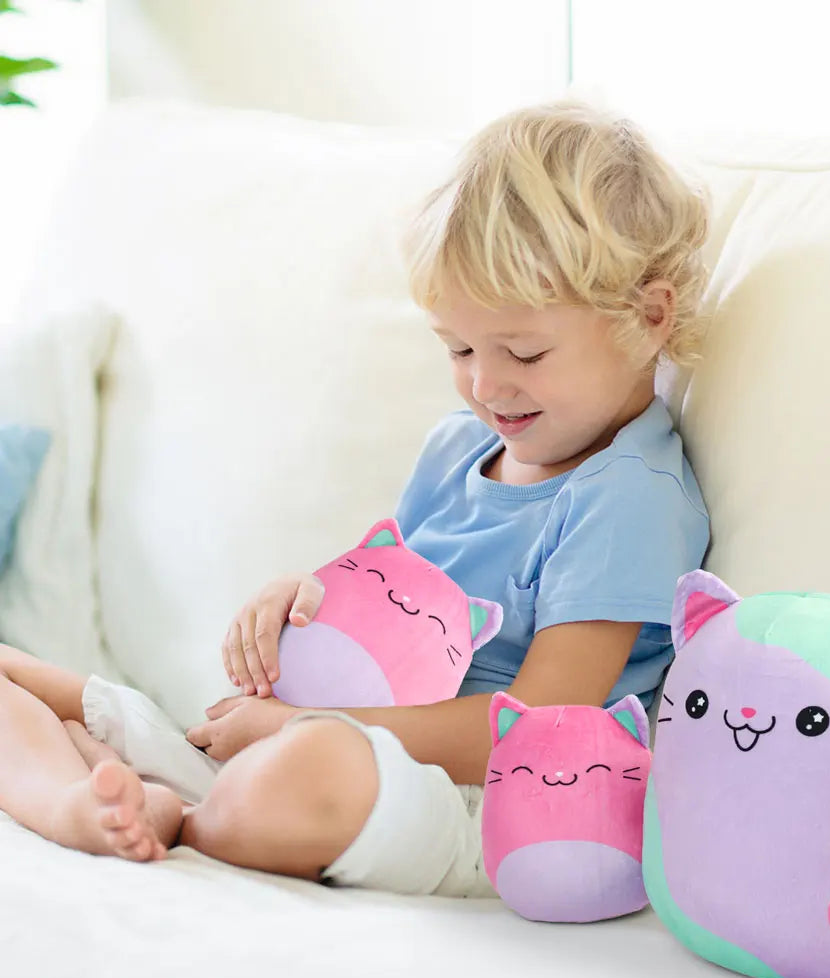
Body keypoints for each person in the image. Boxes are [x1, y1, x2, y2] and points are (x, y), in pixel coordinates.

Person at [0, 101, 711, 894]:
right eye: (460, 348)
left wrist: (307, 726)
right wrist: (298, 603)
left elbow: (539, 726)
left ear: (647, 318)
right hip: (338, 749)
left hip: (496, 803)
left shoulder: (627, 496)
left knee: (314, 767)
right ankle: (82, 799)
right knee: (13, 678)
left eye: (524, 351)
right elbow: (393, 627)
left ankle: (186, 815)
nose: (485, 384)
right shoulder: (458, 448)